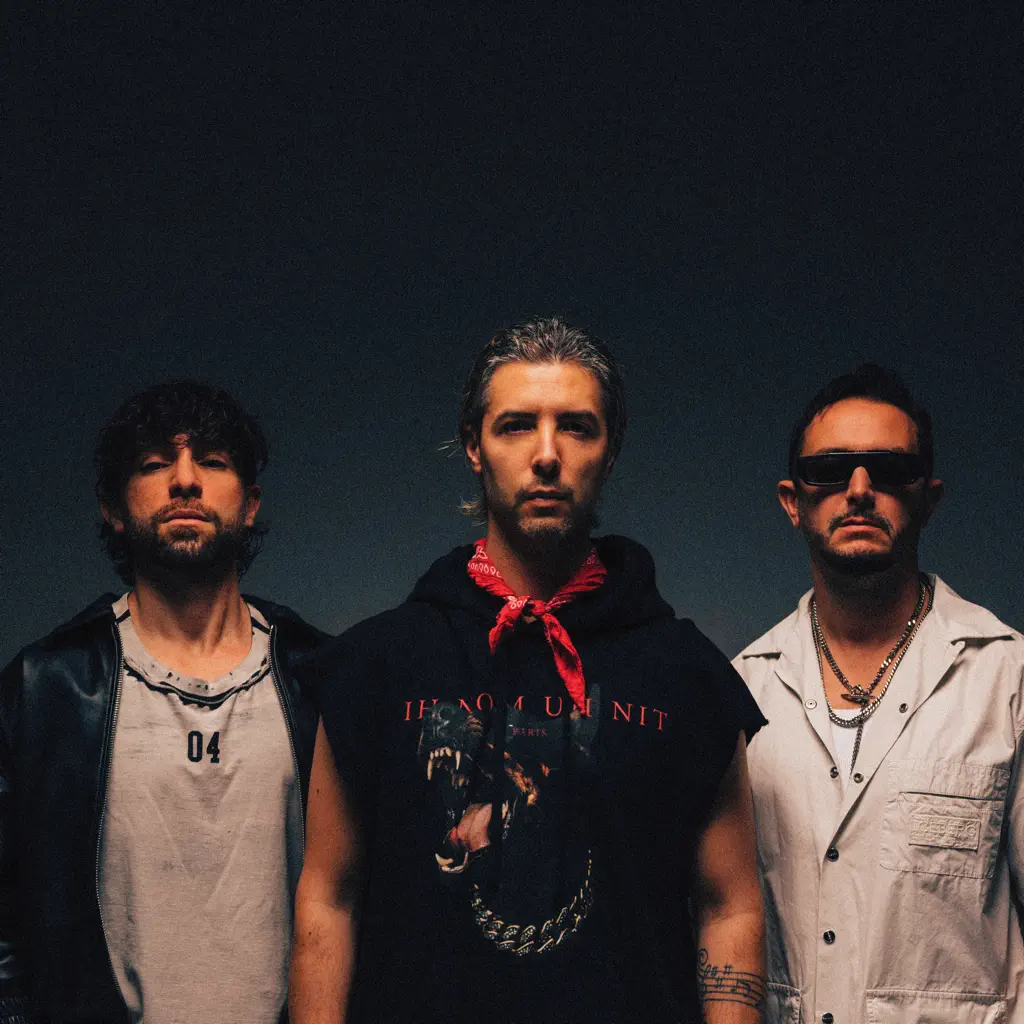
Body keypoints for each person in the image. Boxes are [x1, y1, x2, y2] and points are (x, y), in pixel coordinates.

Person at [290, 318, 767, 1024]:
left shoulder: (686, 674)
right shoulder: (377, 664)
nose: (547, 455)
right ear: (474, 448)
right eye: (516, 426)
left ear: (610, 451)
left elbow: (730, 908)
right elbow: (328, 898)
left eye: (576, 427)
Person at [0, 381, 324, 1024]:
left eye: (212, 460)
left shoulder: (322, 677)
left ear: (250, 504)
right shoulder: (43, 688)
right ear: (113, 508)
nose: (184, 480)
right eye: (153, 464)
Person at [734, 364, 1024, 1023]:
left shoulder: (1007, 681)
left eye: (890, 470)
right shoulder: (742, 691)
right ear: (792, 500)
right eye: (830, 471)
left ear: (929, 497)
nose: (860, 490)